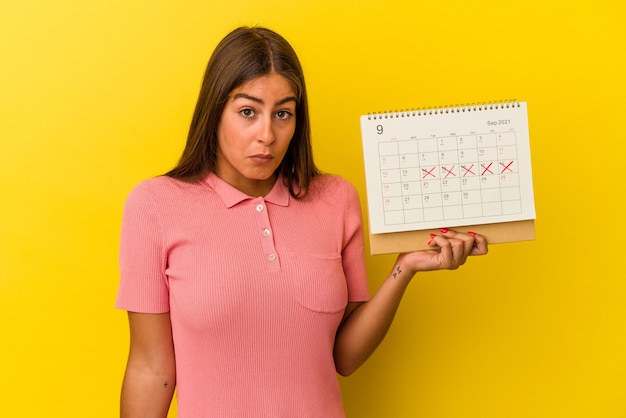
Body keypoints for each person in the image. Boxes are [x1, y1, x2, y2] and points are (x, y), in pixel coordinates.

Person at [116, 26, 488, 418]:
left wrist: (404, 267)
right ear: (215, 112)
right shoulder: (155, 205)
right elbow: (150, 368)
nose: (267, 135)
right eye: (247, 112)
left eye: (282, 114)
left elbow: (343, 358)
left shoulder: (335, 199)